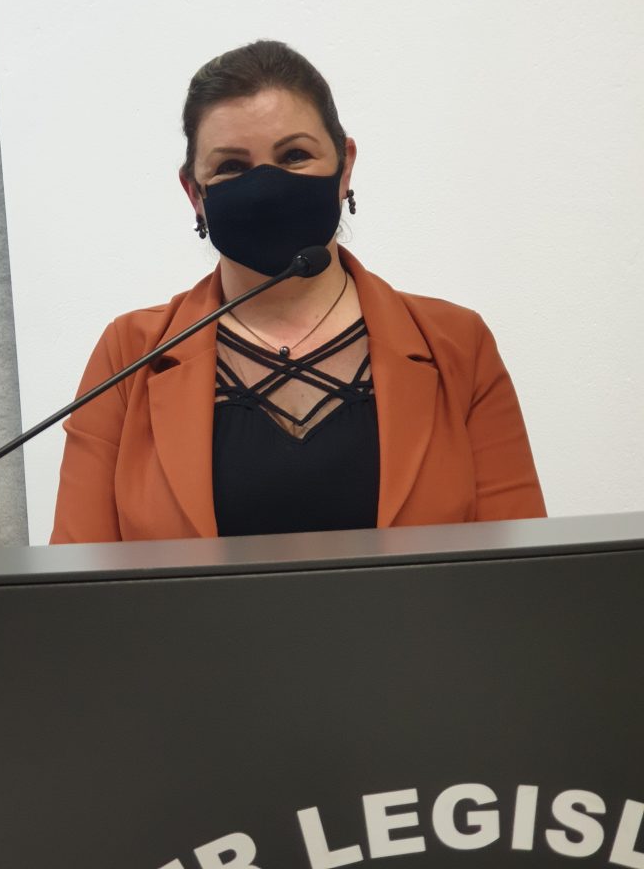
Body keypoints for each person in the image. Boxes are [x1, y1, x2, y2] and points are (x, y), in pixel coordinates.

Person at [51, 40, 545, 543]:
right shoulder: (130, 356)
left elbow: (522, 571)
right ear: (194, 193)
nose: (266, 186)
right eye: (231, 166)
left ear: (344, 167)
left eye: (294, 155)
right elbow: (77, 578)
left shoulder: (457, 344)